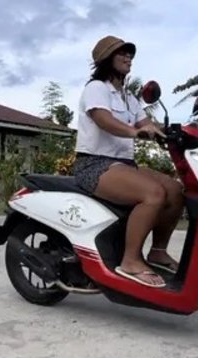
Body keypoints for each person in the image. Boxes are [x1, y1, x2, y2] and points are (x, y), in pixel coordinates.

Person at [72, 35, 187, 288]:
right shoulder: (96, 89)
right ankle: (131, 260)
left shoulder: (128, 98)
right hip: (95, 164)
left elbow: (146, 123)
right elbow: (103, 119)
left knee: (175, 190)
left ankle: (157, 251)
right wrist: (134, 132)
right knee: (154, 194)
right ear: (106, 59)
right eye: (121, 53)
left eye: (130, 54)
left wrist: (177, 133)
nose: (128, 58)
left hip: (123, 165)